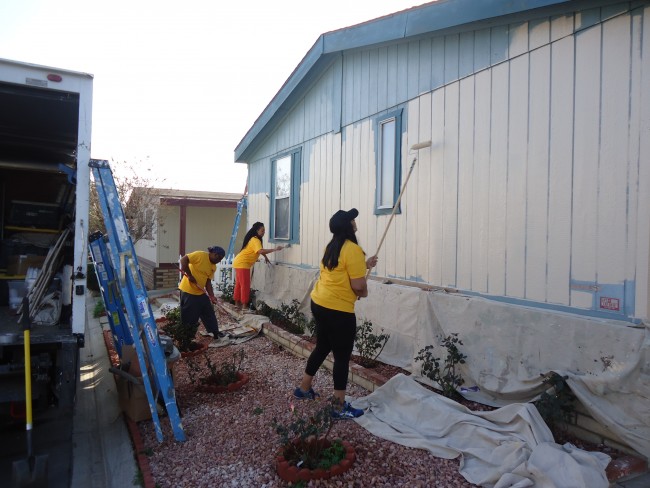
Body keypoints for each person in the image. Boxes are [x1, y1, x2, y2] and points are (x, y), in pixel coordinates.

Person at [293, 208, 378, 419]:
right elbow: (359, 286)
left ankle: (303, 389)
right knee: (341, 357)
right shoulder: (353, 249)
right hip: (338, 311)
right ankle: (338, 406)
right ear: (348, 225)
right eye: (352, 219)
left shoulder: (331, 246)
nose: (354, 221)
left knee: (322, 347)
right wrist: (364, 291)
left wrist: (364, 265)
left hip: (319, 303)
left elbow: (340, 269)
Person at [178, 245, 227, 343]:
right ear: (214, 254)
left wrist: (212, 296)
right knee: (190, 317)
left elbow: (208, 282)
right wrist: (190, 275)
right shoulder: (200, 255)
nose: (219, 261)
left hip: (200, 292)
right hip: (188, 291)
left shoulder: (213, 266)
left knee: (208, 312)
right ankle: (187, 339)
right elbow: (183, 260)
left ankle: (214, 331)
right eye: (219, 258)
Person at [232, 222, 283, 312]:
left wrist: (266, 257)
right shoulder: (255, 240)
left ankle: (237, 305)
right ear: (257, 230)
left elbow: (258, 250)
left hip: (239, 262)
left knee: (239, 285)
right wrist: (275, 249)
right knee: (245, 285)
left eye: (264, 231)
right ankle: (244, 307)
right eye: (262, 230)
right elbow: (260, 250)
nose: (264, 232)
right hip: (243, 264)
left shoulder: (253, 239)